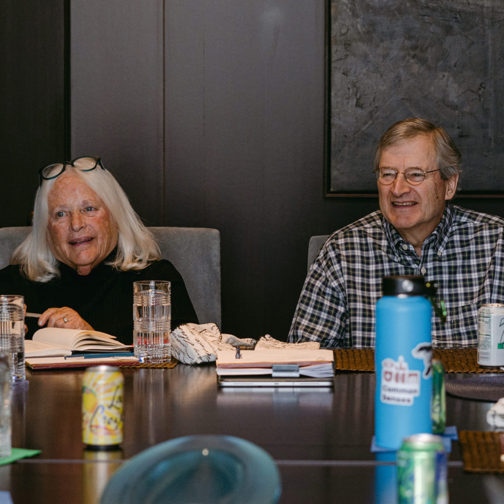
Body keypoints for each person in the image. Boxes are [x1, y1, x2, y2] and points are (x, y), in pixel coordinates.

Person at [288, 118, 504, 348]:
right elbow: (307, 360)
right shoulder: (342, 252)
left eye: (416, 174)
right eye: (388, 174)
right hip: (376, 384)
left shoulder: (498, 245)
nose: (398, 189)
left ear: (449, 184)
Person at [0, 156, 198, 344]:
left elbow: (187, 361)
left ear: (115, 215)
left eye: (89, 209)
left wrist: (90, 338)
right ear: (45, 227)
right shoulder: (12, 288)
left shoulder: (155, 284)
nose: (76, 224)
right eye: (61, 214)